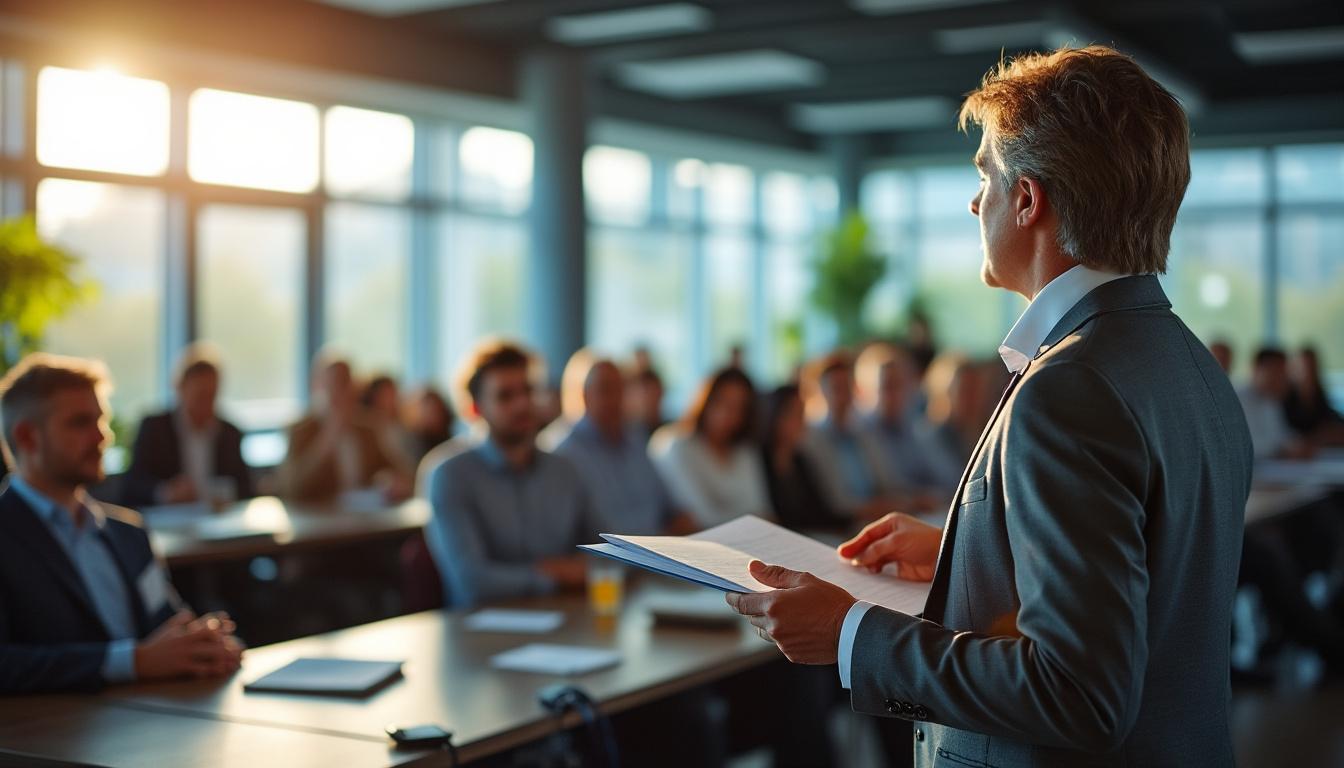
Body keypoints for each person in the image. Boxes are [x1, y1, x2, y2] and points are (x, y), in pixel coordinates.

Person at [726, 46, 1255, 767]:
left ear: (1028, 200)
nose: (976, 203)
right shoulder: (1189, 363)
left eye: (985, 176)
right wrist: (964, 555)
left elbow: (1078, 692)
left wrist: (850, 633)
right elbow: (1149, 580)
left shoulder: (1069, 388)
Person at [0, 354, 244, 693]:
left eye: (102, 420)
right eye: (80, 423)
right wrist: (134, 661)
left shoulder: (127, 532)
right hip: (57, 724)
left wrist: (199, 645)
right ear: (27, 437)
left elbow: (167, 623)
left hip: (149, 715)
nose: (102, 437)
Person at [424, 341, 604, 608]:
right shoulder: (449, 474)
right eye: (505, 396)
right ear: (475, 408)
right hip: (481, 625)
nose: (522, 404)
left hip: (566, 614)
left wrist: (575, 571)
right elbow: (473, 581)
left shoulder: (565, 470)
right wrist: (551, 574)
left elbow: (606, 556)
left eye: (528, 391)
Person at [554, 357, 696, 536]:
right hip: (609, 552)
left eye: (621, 389)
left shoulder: (635, 439)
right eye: (605, 389)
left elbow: (669, 506)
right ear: (585, 395)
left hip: (657, 545)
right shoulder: (566, 453)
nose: (616, 398)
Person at [122, 344, 254, 508]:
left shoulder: (229, 433)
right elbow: (132, 485)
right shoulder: (154, 429)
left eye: (212, 395)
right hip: (168, 518)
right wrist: (165, 492)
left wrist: (225, 494)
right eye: (201, 396)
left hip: (218, 520)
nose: (207, 404)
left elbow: (246, 487)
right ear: (181, 388)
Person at [279, 354, 411, 505]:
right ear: (317, 386)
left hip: (365, 515)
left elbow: (400, 471)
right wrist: (327, 440)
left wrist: (391, 480)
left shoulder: (368, 428)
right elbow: (291, 488)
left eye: (345, 382)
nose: (339, 391)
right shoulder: (299, 431)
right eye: (333, 383)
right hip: (318, 516)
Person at [650, 368, 772, 528]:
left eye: (738, 407)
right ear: (705, 399)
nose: (727, 413)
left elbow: (761, 510)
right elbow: (699, 516)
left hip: (742, 538)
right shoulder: (675, 444)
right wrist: (747, 522)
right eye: (721, 401)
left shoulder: (744, 451)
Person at [800, 353, 902, 520]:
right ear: (822, 391)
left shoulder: (864, 432)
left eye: (846, 387)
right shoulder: (812, 440)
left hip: (878, 513)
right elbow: (834, 501)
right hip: (845, 522)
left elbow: (886, 481)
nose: (843, 396)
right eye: (836, 388)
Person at [855, 343, 961, 500]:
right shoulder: (858, 437)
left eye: (901, 384)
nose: (896, 394)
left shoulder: (917, 429)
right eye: (887, 386)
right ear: (862, 390)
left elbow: (951, 480)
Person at [760, 385, 851, 534]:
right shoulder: (758, 461)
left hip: (811, 536)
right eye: (795, 414)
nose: (801, 422)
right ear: (776, 415)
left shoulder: (801, 460)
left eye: (802, 414)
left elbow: (820, 511)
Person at [1239, 347, 1314, 460]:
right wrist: (1281, 451)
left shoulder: (1270, 400)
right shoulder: (1238, 400)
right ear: (1258, 369)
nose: (1283, 379)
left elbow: (1281, 435)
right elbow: (1242, 445)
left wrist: (1300, 445)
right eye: (1278, 372)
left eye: (1284, 373)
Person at [1285, 346, 1344, 446]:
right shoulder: (1286, 399)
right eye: (1304, 367)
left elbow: (1329, 417)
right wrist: (1319, 437)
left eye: (1311, 367)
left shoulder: (1318, 395)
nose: (1308, 372)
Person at [359, 374, 417, 476]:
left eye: (393, 393)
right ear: (375, 396)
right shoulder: (367, 426)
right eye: (386, 394)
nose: (391, 399)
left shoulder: (402, 427)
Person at [403, 385, 456, 467]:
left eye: (436, 410)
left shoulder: (453, 430)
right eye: (430, 412)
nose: (434, 416)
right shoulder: (417, 443)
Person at [626, 366, 668, 447]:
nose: (650, 398)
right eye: (646, 392)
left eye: (654, 391)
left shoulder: (671, 431)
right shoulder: (629, 434)